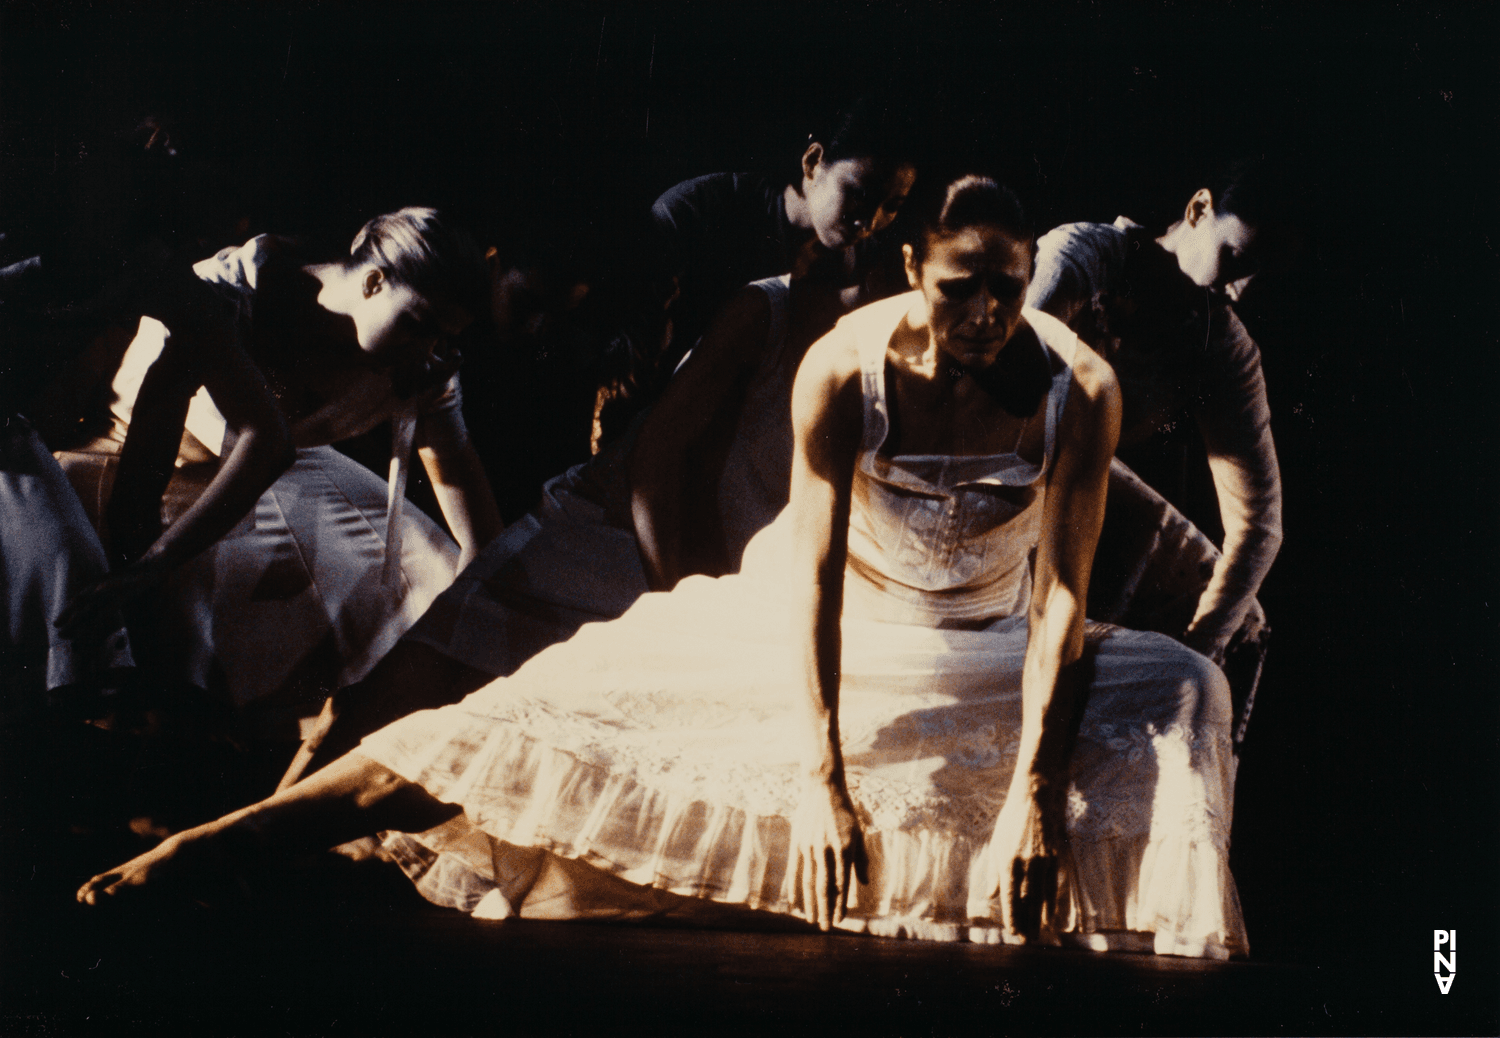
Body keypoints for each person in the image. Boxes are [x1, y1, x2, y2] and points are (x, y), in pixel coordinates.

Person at [79, 173, 1246, 959]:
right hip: (828, 619)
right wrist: (828, 785)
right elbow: (815, 587)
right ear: (909, 266)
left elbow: (1061, 607)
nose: (990, 314)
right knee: (527, 718)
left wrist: (1036, 803)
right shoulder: (844, 365)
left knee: (1187, 690)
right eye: (960, 288)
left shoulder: (1075, 382)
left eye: (1007, 287)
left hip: (987, 640)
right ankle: (214, 845)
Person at [277, 229, 888, 788]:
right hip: (611, 535)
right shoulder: (764, 312)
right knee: (406, 685)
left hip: (709, 575)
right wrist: (667, 596)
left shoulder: (883, 360)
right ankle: (249, 835)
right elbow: (653, 463)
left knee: (532, 736)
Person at [52, 208, 500, 715]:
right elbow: (149, 476)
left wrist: (457, 640)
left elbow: (480, 537)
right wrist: (149, 567)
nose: (430, 350)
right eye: (419, 325)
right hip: (139, 459)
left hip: (283, 478)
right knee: (172, 641)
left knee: (423, 582)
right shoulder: (235, 291)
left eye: (445, 337)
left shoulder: (421, 366)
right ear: (373, 282)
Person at [1025, 161, 1285, 666]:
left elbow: (1259, 524)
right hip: (1008, 472)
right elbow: (1008, 392)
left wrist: (1200, 645)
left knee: (1245, 622)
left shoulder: (1223, 344)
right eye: (1233, 256)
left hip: (1088, 515)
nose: (1240, 289)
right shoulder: (1084, 255)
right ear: (1198, 209)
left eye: (1259, 273)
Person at [594, 98, 918, 447]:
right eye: (859, 195)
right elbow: (627, 375)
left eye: (892, 206)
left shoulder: (866, 265)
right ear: (812, 162)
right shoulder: (699, 213)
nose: (869, 222)